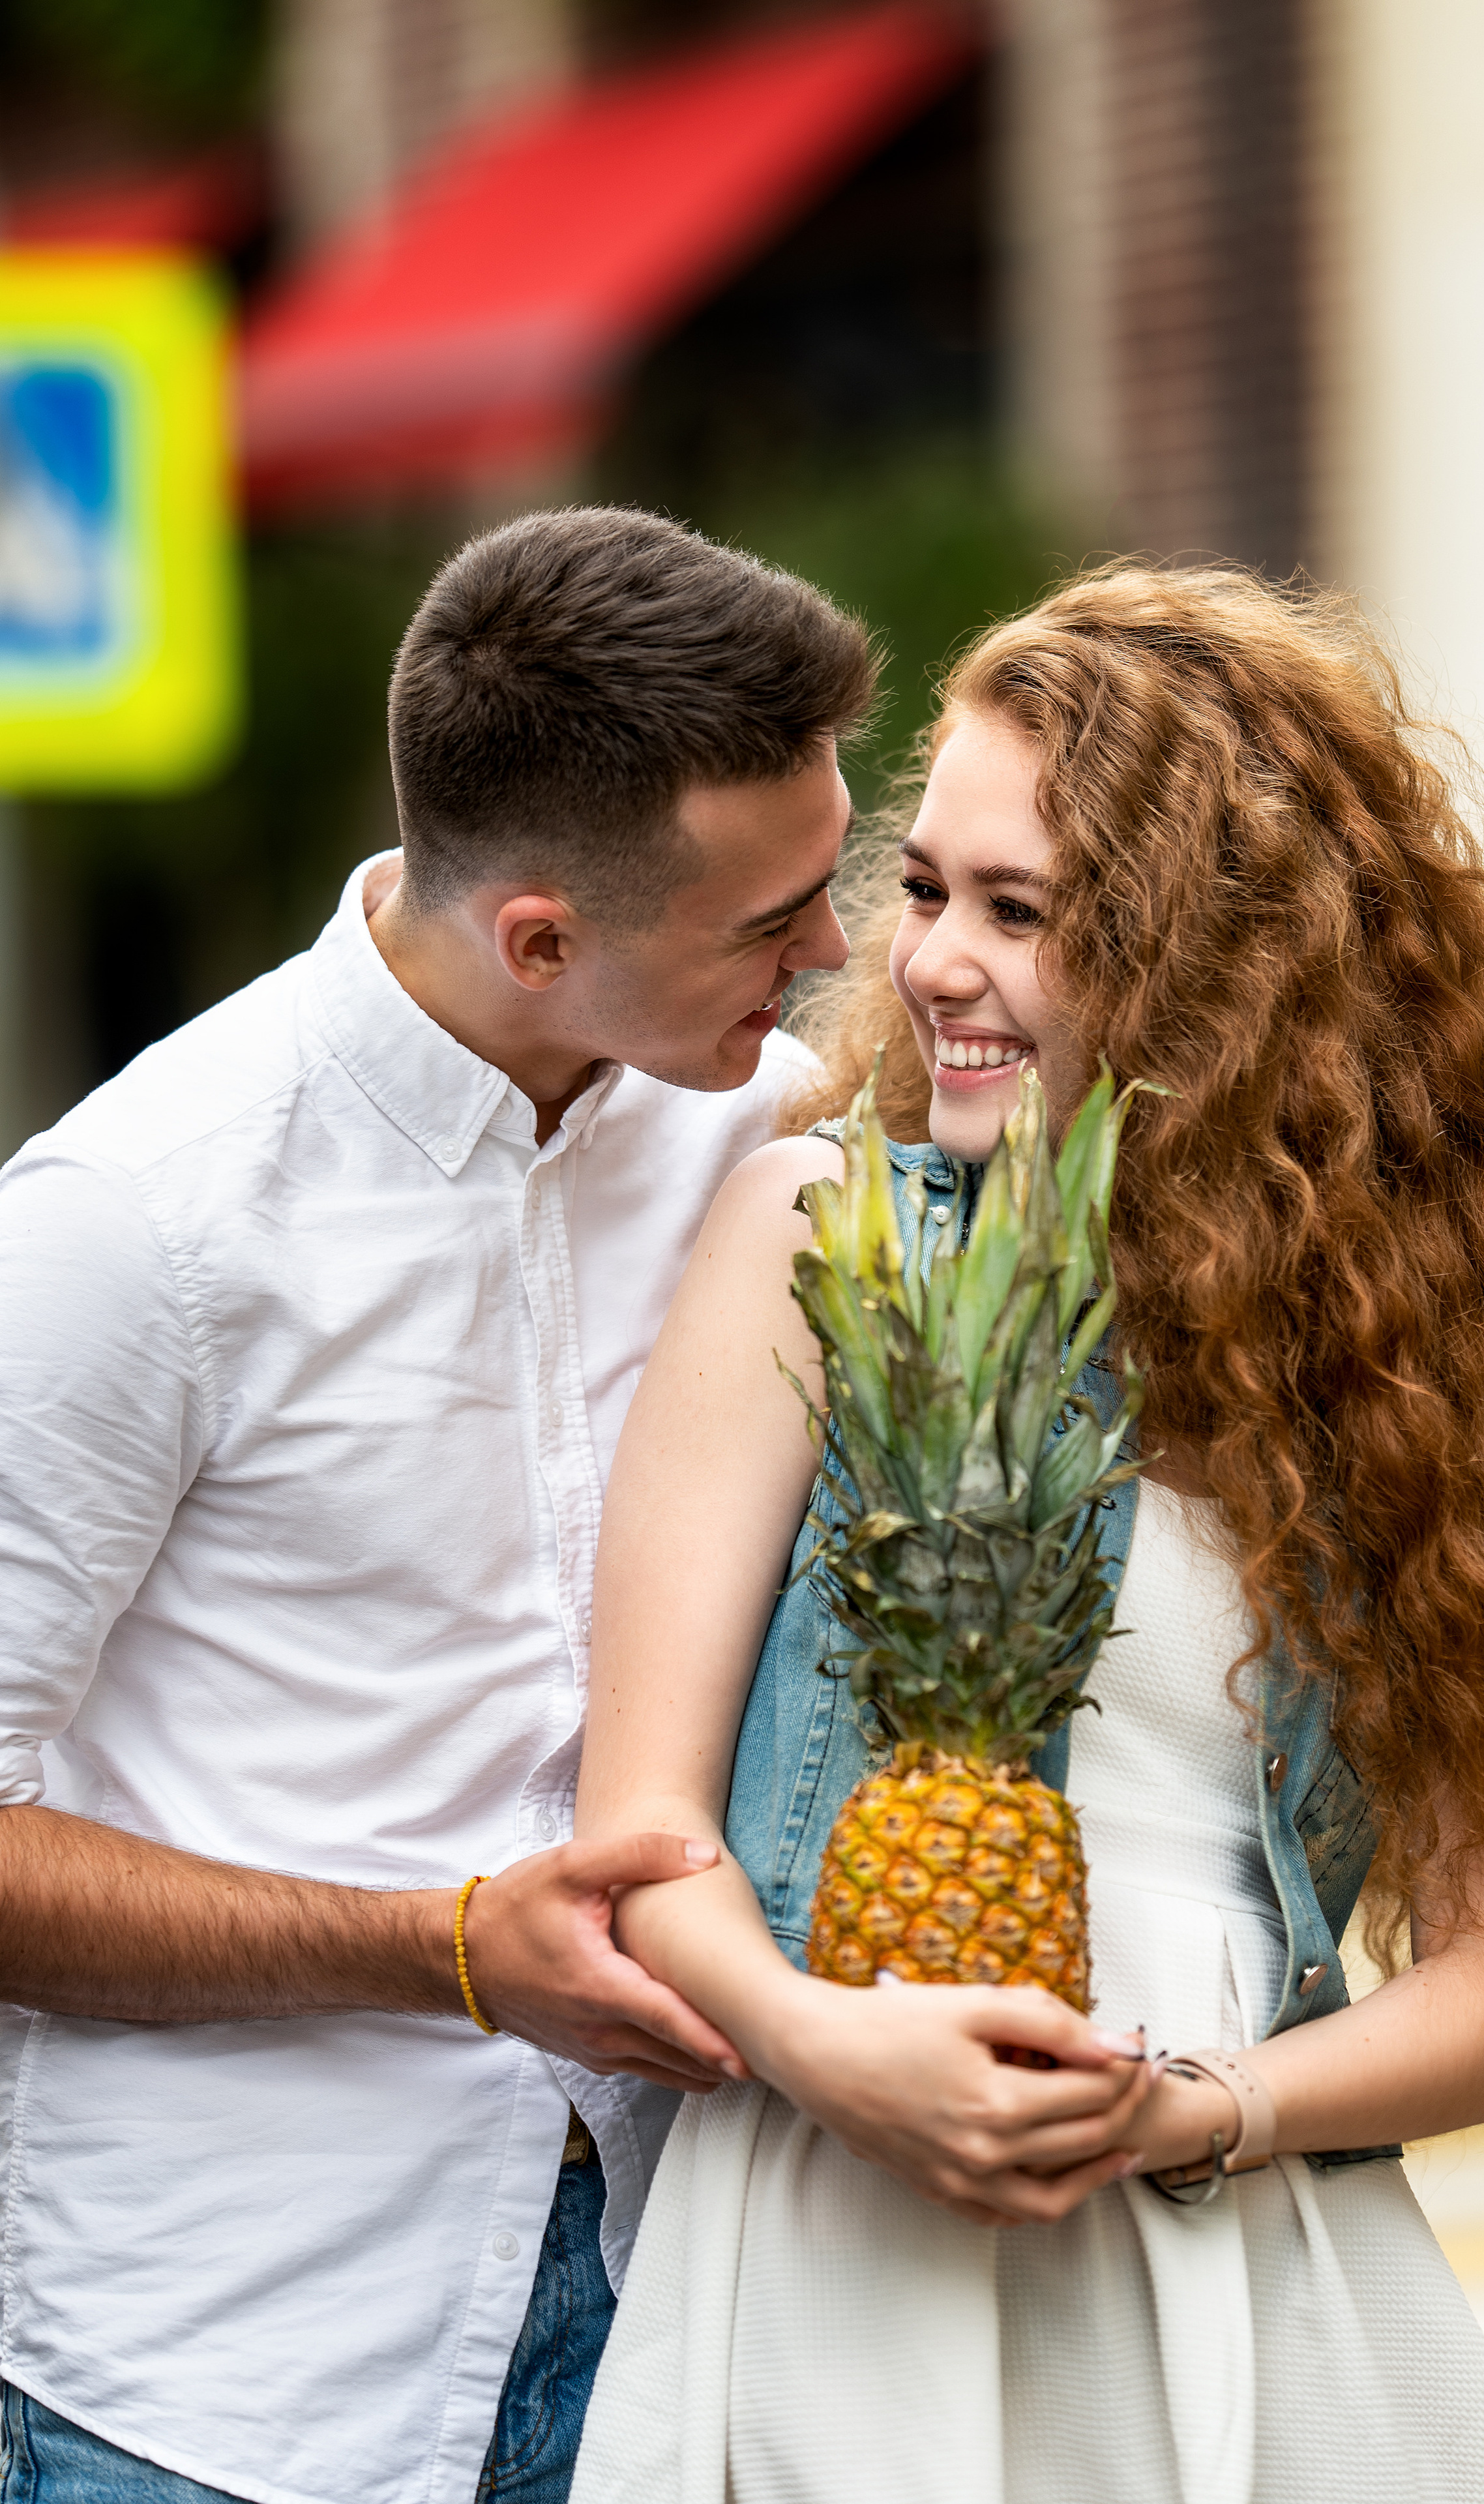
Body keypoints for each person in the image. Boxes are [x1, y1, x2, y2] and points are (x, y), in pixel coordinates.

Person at [569, 563, 1484, 2504]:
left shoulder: (1407, 1380)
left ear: (1212, 966)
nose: (932, 967)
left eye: (1021, 912)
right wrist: (821, 2049)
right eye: (923, 890)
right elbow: (638, 1833)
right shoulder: (820, 1237)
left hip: (1246, 2238)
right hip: (849, 2226)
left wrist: (1206, 2112)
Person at [0, 506, 876, 2504]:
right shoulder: (135, 1225)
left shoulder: (755, 1127)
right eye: (771, 924)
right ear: (542, 938)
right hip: (232, 2381)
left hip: (687, 2322)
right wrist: (447, 1946)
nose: (828, 958)